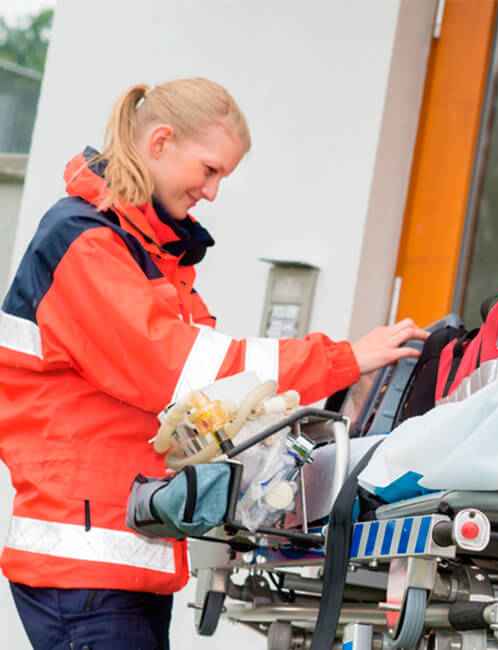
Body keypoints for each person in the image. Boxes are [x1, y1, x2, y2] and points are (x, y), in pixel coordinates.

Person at [0, 78, 428, 649]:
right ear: (160, 143)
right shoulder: (86, 244)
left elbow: (207, 401)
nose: (212, 191)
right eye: (209, 169)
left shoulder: (140, 251)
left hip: (117, 557)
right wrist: (344, 359)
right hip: (83, 569)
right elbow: (189, 375)